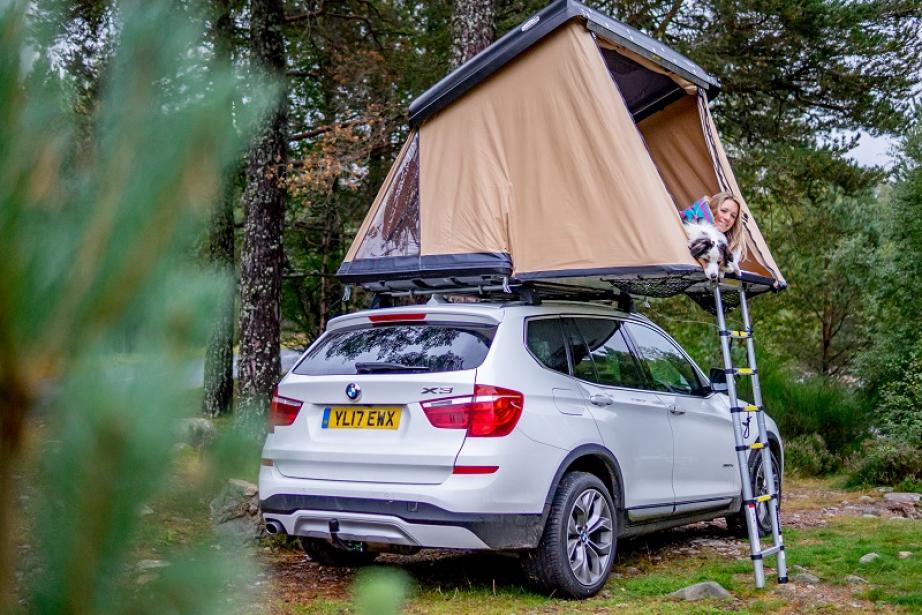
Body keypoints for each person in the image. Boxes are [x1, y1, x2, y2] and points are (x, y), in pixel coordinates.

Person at [679, 191, 746, 262]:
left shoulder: (732, 246)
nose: (728, 218)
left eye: (733, 216)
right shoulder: (683, 227)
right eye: (723, 211)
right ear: (711, 209)